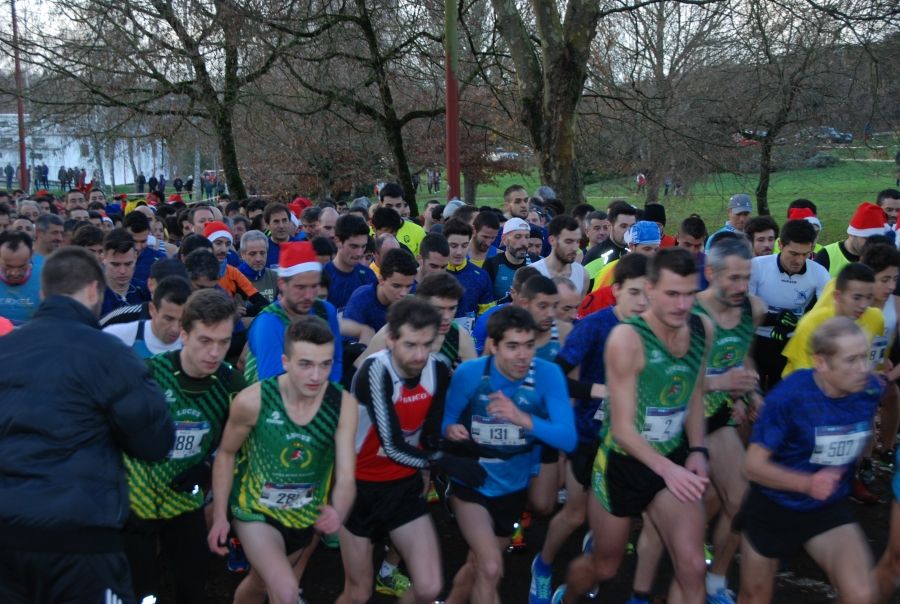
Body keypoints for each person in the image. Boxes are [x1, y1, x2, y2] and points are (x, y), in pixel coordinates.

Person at [0, 246, 174, 604]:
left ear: (44, 294)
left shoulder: (6, 350)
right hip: (81, 538)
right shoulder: (110, 354)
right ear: (95, 290)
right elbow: (156, 441)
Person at [554, 247, 712, 604]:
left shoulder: (701, 330)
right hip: (621, 465)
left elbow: (696, 394)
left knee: (692, 566)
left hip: (669, 457)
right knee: (605, 566)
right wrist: (670, 471)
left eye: (690, 294)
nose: (683, 305)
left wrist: (699, 447)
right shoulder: (626, 340)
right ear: (652, 290)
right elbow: (622, 428)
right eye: (672, 294)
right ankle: (567, 597)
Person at [339, 298, 486, 604]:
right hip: (358, 488)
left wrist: (464, 447)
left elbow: (431, 438)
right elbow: (392, 446)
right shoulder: (374, 372)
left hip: (402, 485)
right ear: (391, 339)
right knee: (358, 592)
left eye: (426, 344)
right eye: (410, 345)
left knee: (429, 587)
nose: (420, 355)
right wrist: (444, 460)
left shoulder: (438, 370)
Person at [208, 316, 358, 604]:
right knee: (286, 591)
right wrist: (219, 517)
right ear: (285, 361)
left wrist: (338, 510)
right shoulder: (253, 401)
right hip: (255, 509)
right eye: (305, 364)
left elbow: (347, 474)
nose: (316, 376)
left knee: (259, 583)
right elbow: (226, 454)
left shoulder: (342, 405)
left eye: (324, 364)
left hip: (303, 513)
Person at [529, 254, 648, 603]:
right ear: (617, 290)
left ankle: (592, 560)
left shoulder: (657, 329)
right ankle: (544, 565)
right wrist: (599, 391)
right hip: (588, 433)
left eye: (649, 293)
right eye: (635, 292)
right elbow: (558, 376)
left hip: (629, 437)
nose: (643, 301)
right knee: (575, 511)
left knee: (613, 509)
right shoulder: (595, 326)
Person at [737, 317, 880, 604]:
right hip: (774, 506)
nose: (863, 368)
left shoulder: (870, 389)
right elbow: (752, 466)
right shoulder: (791, 397)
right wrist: (807, 482)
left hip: (826, 508)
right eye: (851, 360)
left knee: (862, 595)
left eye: (865, 356)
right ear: (821, 363)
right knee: (755, 597)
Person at [442, 306, 577, 603]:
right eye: (512, 346)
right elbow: (445, 421)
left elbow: (568, 438)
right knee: (491, 567)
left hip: (513, 489)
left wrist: (523, 419)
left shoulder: (548, 374)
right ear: (493, 345)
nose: (523, 355)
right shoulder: (469, 374)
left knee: (477, 564)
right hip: (472, 484)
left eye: (529, 345)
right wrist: (451, 432)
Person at [123, 289, 246, 603]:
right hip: (136, 502)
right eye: (205, 341)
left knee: (192, 588)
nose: (215, 353)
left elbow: (240, 446)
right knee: (143, 593)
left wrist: (207, 467)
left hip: (185, 504)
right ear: (184, 334)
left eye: (224, 342)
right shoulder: (149, 375)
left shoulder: (231, 384)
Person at [245, 241, 343, 384]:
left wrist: (329, 392)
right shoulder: (268, 322)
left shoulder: (325, 311)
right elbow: (273, 382)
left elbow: (336, 359)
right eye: (300, 287)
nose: (309, 296)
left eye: (314, 286)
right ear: (281, 284)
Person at [750, 219, 829, 391]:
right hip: (756, 341)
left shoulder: (819, 273)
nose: (799, 260)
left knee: (781, 398)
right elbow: (743, 309)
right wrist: (774, 319)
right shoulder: (757, 266)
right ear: (780, 244)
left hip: (792, 342)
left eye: (806, 254)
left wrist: (797, 323)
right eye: (793, 253)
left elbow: (826, 313)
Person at [356, 272, 477, 371]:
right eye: (438, 309)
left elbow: (476, 382)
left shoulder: (459, 337)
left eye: (452, 308)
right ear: (421, 305)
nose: (446, 316)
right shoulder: (392, 332)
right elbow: (358, 372)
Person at [782, 262, 883, 377]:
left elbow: (876, 363)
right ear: (837, 296)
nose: (864, 305)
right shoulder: (811, 324)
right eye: (857, 297)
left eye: (869, 297)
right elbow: (805, 376)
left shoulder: (876, 318)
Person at [103, 275, 192, 358]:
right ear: (152, 309)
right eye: (168, 319)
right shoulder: (116, 336)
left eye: (182, 320)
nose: (175, 329)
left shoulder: (194, 347)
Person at [343, 247, 418, 335]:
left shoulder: (415, 295)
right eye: (396, 286)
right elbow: (348, 343)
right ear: (381, 279)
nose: (404, 293)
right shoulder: (361, 299)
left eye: (408, 286)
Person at [444, 218, 495, 332]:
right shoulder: (435, 273)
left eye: (464, 245)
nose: (459, 252)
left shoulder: (481, 276)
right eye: (453, 246)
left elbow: (487, 318)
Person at [323, 213, 378, 311]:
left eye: (363, 246)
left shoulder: (368, 276)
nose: (360, 253)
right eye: (354, 246)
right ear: (338, 241)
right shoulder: (323, 276)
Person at [816, 202, 887, 276]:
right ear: (852, 234)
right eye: (867, 238)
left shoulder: (881, 257)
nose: (872, 244)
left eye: (877, 239)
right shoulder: (826, 255)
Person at [531, 215, 589, 296]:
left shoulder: (583, 275)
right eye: (568, 241)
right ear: (552, 240)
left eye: (577, 241)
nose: (575, 248)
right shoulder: (532, 273)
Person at [484, 217, 536, 300]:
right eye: (518, 237)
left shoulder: (536, 262)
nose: (524, 243)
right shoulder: (492, 264)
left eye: (527, 237)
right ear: (504, 240)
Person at [100, 229, 150, 316]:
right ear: (103, 258)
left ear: (135, 257)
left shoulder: (145, 291)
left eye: (128, 264)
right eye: (115, 264)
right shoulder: (93, 295)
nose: (122, 271)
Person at [0, 230, 42, 324]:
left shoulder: (45, 279)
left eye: (22, 266)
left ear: (31, 255)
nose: (15, 273)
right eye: (8, 266)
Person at [582, 200, 637, 266]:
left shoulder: (636, 251)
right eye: (623, 226)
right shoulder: (595, 255)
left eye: (632, 226)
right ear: (610, 226)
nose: (629, 231)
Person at [239, 229, 279, 303]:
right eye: (252, 254)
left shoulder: (274, 277)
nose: (258, 259)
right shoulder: (234, 278)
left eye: (262, 253)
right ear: (242, 254)